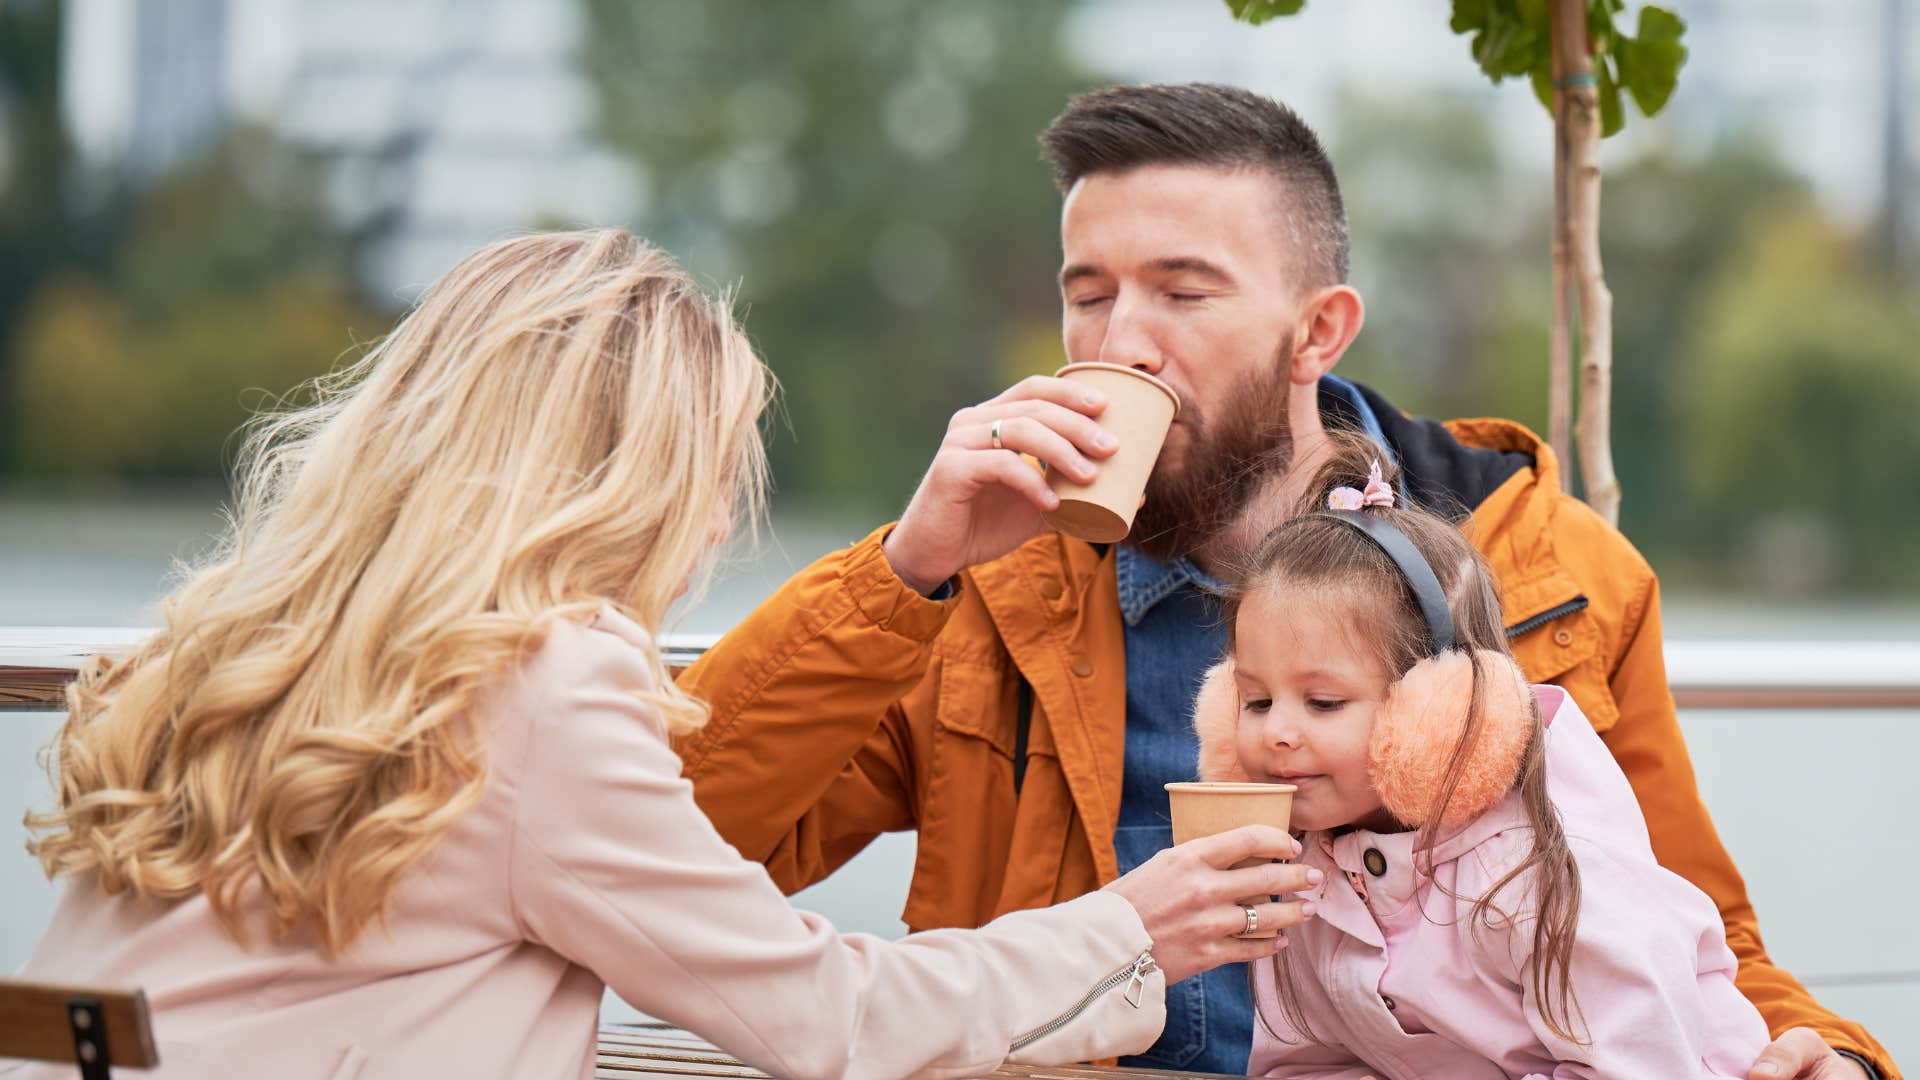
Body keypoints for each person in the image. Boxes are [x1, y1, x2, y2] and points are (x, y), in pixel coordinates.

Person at [675, 83, 1896, 1078]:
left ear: (1318, 333)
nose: (1119, 343)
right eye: (1087, 295)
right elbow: (683, 846)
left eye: (1182, 292)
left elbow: (1688, 933)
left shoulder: (1547, 569)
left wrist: (1829, 1053)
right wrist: (908, 568)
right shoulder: (988, 589)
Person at [13, 229, 1316, 1080]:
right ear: (639, 478)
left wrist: (913, 561)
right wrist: (1124, 931)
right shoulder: (543, 685)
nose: (714, 520)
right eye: (718, 473)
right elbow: (823, 1016)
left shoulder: (238, 636)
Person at [1186, 439, 1770, 1076]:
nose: (1277, 732)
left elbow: (1644, 1065)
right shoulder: (1302, 865)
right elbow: (1306, 1061)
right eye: (1257, 700)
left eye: (1323, 703)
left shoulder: (1535, 875)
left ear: (1434, 711)